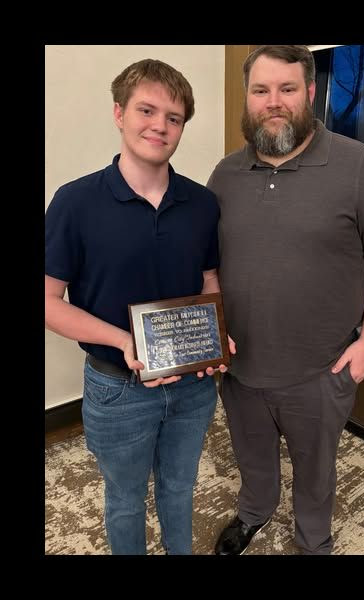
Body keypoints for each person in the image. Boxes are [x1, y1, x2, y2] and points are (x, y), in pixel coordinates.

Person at [207, 45, 364, 555]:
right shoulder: (225, 174)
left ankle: (313, 539)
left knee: (316, 468)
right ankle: (255, 511)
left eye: (287, 88)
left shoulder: (359, 164)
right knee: (251, 454)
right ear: (248, 98)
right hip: (240, 368)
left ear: (310, 93)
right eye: (261, 90)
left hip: (321, 371)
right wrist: (212, 333)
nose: (273, 101)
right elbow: (210, 265)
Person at [45, 58, 234, 555]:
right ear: (119, 113)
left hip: (193, 386)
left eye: (174, 118)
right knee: (126, 501)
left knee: (179, 489)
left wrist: (214, 333)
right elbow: (47, 301)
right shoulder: (75, 202)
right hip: (117, 389)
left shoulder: (202, 204)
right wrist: (124, 340)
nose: (160, 126)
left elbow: (208, 279)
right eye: (146, 110)